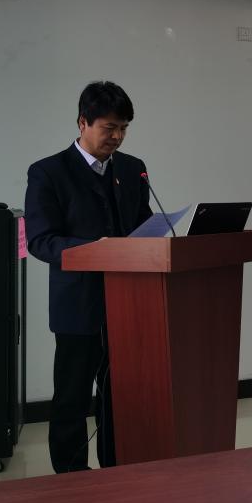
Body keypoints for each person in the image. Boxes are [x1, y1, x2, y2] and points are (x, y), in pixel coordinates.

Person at [24, 81, 152, 472]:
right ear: (83, 122)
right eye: (109, 127)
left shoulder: (132, 168)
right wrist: (93, 248)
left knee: (120, 397)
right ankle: (71, 481)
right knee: (72, 399)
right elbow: (41, 241)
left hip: (127, 301)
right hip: (78, 305)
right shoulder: (48, 172)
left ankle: (116, 472)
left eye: (124, 128)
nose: (117, 137)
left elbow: (143, 226)